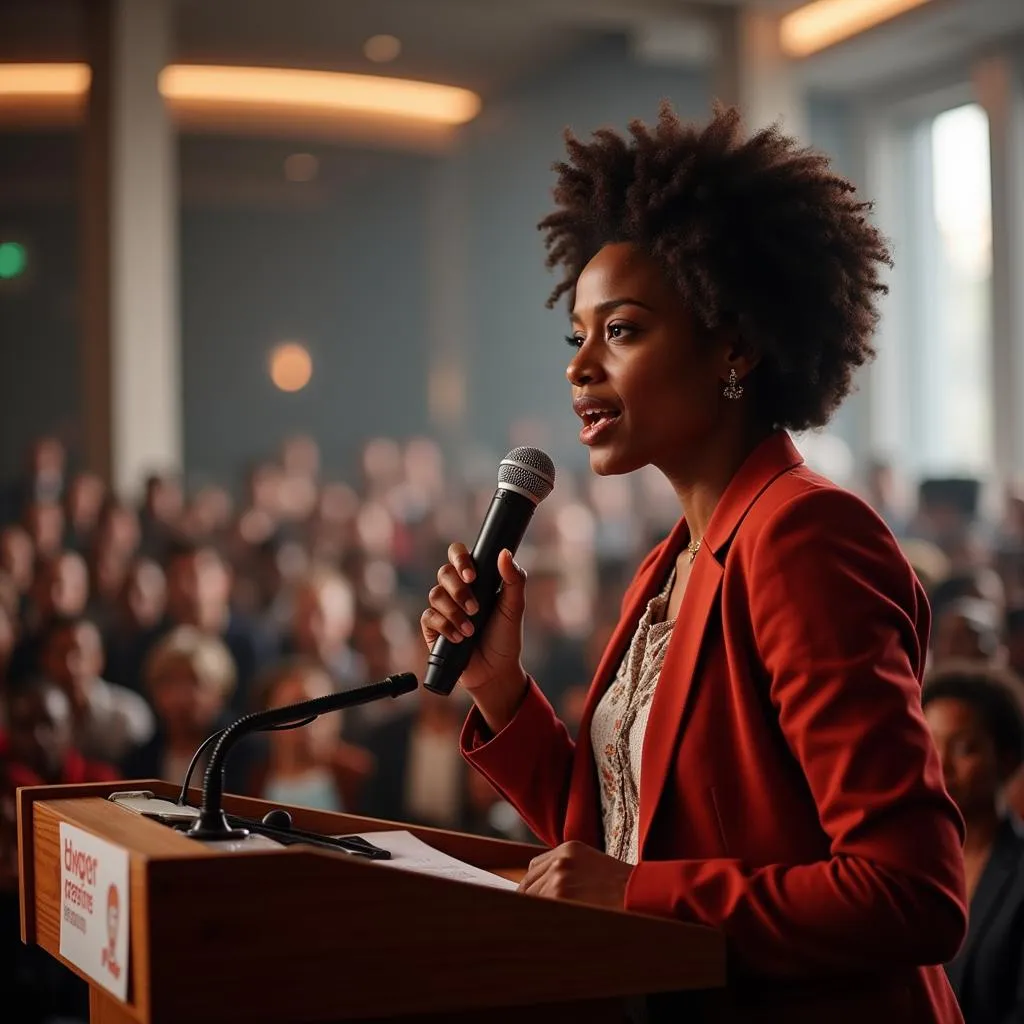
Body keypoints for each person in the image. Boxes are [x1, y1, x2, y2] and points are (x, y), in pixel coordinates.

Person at [420, 104, 966, 1023]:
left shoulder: (804, 540)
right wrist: (502, 691)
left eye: (622, 331)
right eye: (578, 337)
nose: (579, 368)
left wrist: (636, 897)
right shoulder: (675, 559)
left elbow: (910, 893)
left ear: (735, 346)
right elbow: (625, 832)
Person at [923, 664, 1024, 1023]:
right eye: (929, 745)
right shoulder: (911, 861)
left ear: (1007, 758)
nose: (941, 765)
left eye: (963, 748)